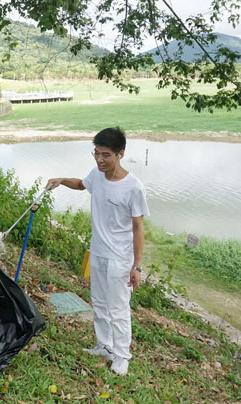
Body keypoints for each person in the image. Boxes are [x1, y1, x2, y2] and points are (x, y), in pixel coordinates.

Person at [46, 127, 149, 376]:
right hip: (98, 253)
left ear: (120, 154)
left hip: (120, 259)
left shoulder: (133, 187)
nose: (100, 160)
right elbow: (82, 185)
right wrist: (61, 180)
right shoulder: (98, 174)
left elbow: (138, 227)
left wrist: (136, 266)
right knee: (100, 304)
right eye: (96, 154)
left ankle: (122, 356)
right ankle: (104, 346)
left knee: (118, 308)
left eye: (106, 155)